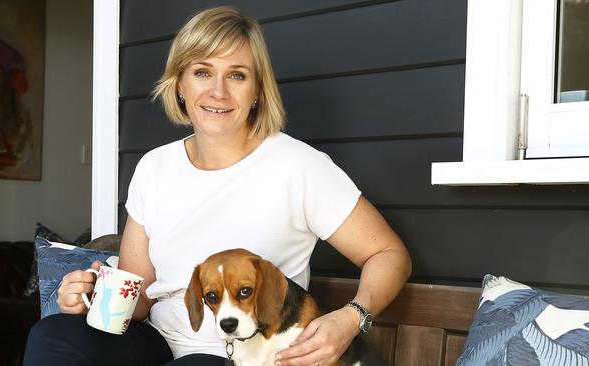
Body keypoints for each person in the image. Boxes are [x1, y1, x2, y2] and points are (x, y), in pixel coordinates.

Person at [24, 6, 411, 366]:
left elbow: (389, 254)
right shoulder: (154, 167)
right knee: (54, 333)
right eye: (202, 72)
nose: (218, 91)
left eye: (237, 75)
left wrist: (351, 318)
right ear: (180, 84)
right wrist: (90, 296)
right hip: (155, 341)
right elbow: (139, 297)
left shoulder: (298, 166)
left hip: (241, 353)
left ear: (257, 90)